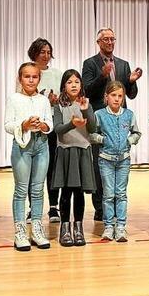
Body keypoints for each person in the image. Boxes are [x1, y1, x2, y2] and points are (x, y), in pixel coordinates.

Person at [82, 28, 143, 221]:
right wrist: (102, 75)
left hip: (121, 121)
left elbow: (130, 94)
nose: (109, 42)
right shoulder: (90, 63)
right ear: (98, 42)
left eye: (112, 39)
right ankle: (100, 208)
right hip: (100, 119)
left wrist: (131, 81)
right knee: (99, 165)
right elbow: (88, 91)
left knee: (120, 163)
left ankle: (118, 206)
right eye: (105, 39)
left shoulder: (123, 64)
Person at [5, 62, 53, 251]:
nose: (31, 80)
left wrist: (43, 126)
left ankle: (37, 229)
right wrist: (24, 125)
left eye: (34, 77)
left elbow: (50, 122)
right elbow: (8, 124)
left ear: (39, 79)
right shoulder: (14, 98)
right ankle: (20, 231)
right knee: (21, 190)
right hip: (22, 145)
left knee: (38, 189)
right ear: (20, 79)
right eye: (27, 76)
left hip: (41, 145)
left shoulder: (43, 100)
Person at [91, 81, 142, 242]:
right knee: (108, 194)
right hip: (105, 160)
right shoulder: (99, 115)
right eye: (113, 95)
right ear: (106, 97)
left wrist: (129, 141)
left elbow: (137, 133)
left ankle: (120, 226)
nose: (117, 99)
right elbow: (91, 134)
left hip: (123, 161)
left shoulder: (129, 114)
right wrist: (102, 139)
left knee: (121, 194)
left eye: (120, 96)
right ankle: (108, 226)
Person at [52, 69, 97, 247]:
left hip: (82, 151)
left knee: (79, 193)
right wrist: (72, 124)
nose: (73, 85)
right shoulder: (59, 105)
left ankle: (78, 228)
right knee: (66, 192)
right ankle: (65, 227)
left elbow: (93, 128)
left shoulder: (86, 103)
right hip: (66, 151)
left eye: (77, 82)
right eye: (70, 82)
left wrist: (86, 112)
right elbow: (57, 129)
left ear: (81, 85)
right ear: (64, 85)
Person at [28, 38, 63, 223]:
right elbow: (22, 97)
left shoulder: (57, 74)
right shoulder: (28, 72)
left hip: (52, 124)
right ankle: (33, 208)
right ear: (34, 52)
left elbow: (65, 97)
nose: (46, 55)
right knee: (33, 168)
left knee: (52, 167)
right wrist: (42, 99)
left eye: (49, 52)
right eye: (42, 51)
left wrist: (57, 100)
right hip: (32, 124)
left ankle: (53, 207)